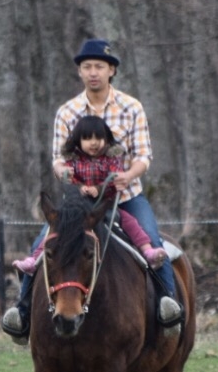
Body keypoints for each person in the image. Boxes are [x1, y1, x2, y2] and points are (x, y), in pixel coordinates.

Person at [1, 38, 183, 341]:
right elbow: (58, 159)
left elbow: (144, 157)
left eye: (99, 66)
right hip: (79, 202)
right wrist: (66, 175)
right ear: (80, 72)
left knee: (150, 240)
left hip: (124, 198)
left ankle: (167, 304)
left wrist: (127, 175)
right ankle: (21, 311)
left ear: (111, 70)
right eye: (87, 67)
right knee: (44, 245)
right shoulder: (67, 111)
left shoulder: (131, 107)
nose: (93, 72)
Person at [13, 114, 166, 272]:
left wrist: (99, 188)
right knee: (54, 231)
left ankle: (148, 251)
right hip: (78, 208)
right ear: (79, 140)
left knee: (128, 221)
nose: (93, 143)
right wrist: (79, 187)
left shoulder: (111, 159)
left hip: (103, 207)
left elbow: (115, 177)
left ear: (106, 139)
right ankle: (34, 260)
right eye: (87, 138)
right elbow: (68, 182)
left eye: (98, 138)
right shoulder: (73, 160)